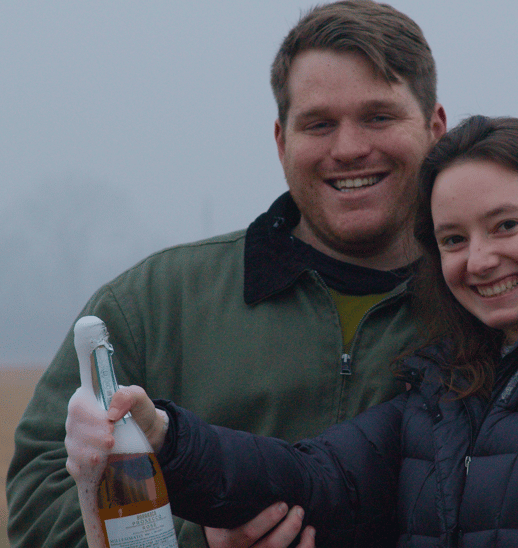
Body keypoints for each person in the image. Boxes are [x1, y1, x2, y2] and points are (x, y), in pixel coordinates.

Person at [67, 115, 518, 546]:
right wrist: (164, 437)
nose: (479, 259)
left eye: (506, 225)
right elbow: (313, 478)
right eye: (453, 239)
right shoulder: (449, 383)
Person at [6, 1, 447, 546]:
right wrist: (197, 542)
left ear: (435, 128)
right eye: (319, 124)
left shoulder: (491, 312)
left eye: (379, 117)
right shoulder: (153, 306)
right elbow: (39, 502)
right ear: (282, 142)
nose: (350, 148)